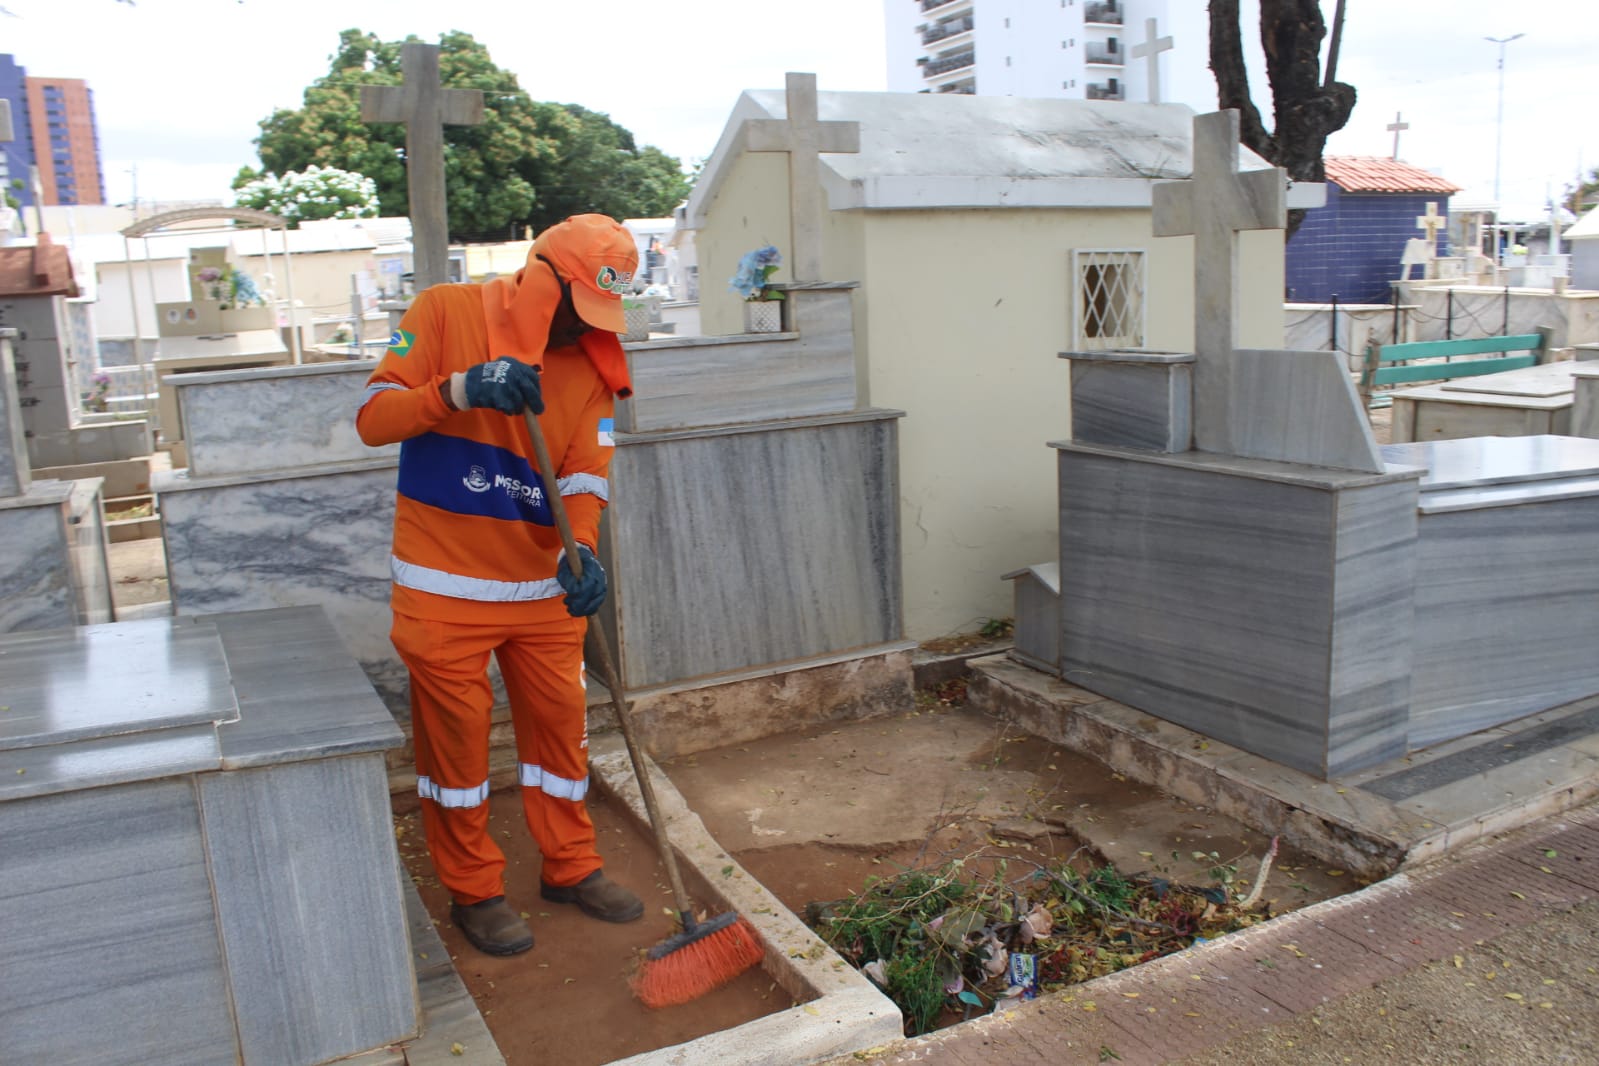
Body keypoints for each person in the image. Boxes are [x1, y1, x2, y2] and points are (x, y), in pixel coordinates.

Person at [356, 214, 644, 957]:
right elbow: (372, 418)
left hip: (541, 594)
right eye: (576, 309)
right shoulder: (443, 313)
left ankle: (569, 867)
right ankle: (474, 890)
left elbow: (582, 477)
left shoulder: (595, 363)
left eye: (599, 316)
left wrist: (581, 549)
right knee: (456, 750)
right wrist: (455, 389)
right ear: (539, 278)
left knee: (560, 734)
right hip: (441, 587)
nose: (584, 330)